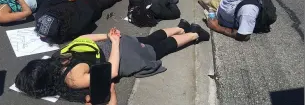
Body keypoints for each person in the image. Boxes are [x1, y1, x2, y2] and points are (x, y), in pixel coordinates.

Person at [15, 24, 210, 102]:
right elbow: (83, 38)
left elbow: (112, 72)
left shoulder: (72, 80)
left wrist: (115, 44)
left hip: (120, 53)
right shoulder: (59, 56)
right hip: (112, 43)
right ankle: (180, 27)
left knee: (157, 50)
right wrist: (109, 37)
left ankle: (194, 34)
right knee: (148, 39)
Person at [35, 0, 121, 43]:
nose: (41, 37)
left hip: (80, 5)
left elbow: (48, 1)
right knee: (99, 4)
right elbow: (48, 1)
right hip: (81, 5)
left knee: (99, 4)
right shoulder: (74, 27)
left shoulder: (70, 29)